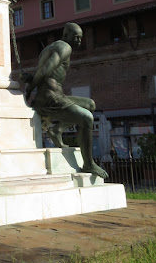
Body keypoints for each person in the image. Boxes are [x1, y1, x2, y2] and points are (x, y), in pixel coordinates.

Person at [23, 23, 108, 179]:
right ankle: (89, 163)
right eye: (76, 37)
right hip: (51, 98)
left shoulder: (48, 48)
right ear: (66, 35)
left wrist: (30, 84)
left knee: (90, 105)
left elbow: (39, 72)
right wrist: (29, 89)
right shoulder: (65, 47)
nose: (79, 41)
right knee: (87, 118)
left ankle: (57, 130)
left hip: (56, 94)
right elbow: (45, 70)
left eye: (81, 38)